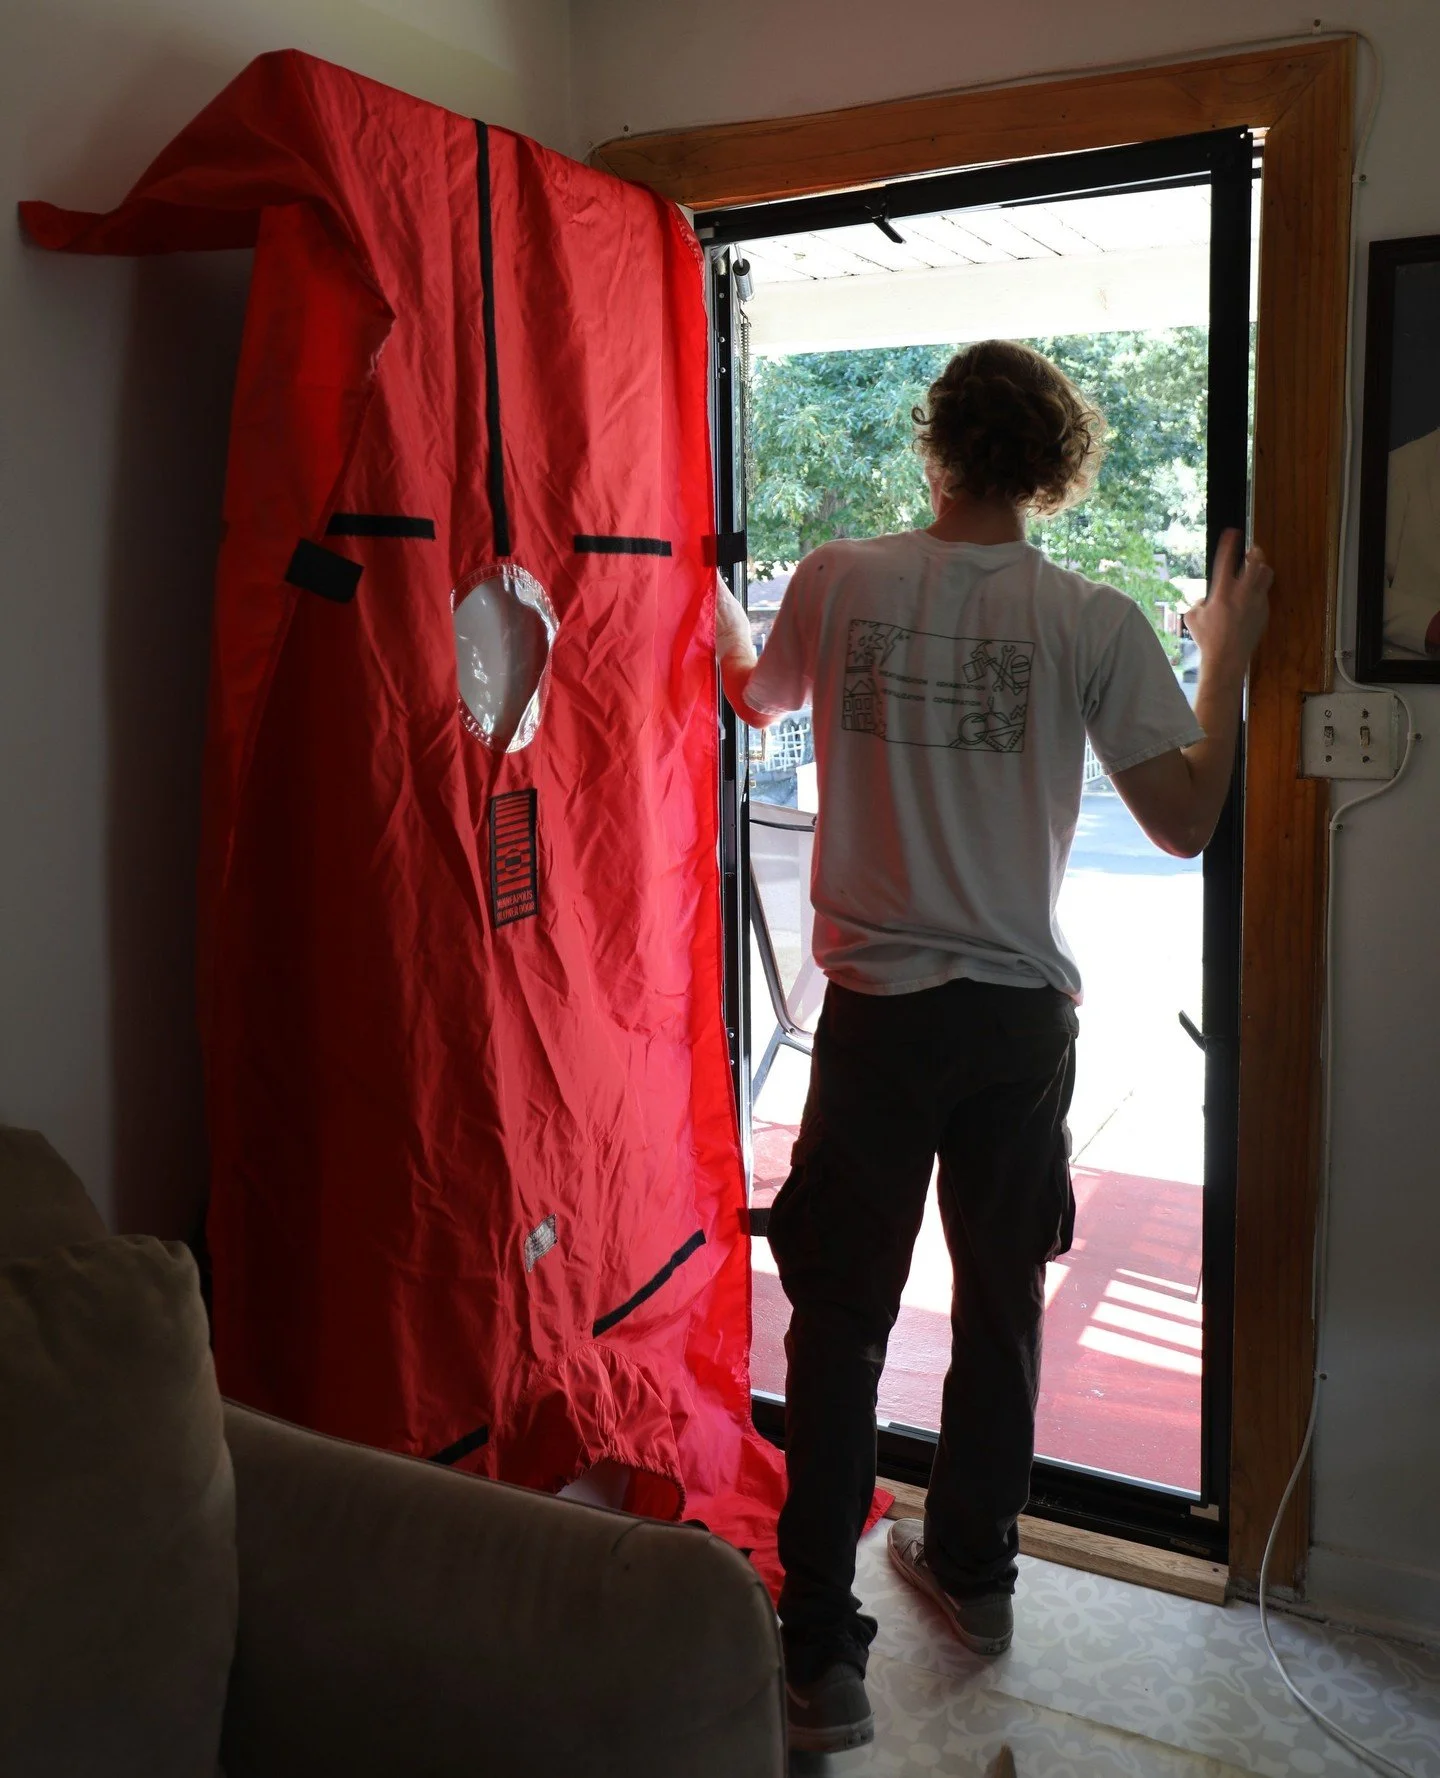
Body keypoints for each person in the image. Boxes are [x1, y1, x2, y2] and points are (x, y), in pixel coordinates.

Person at [715, 339, 1272, 1755]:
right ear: (1057, 469)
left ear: (934, 445)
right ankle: (973, 1575)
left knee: (838, 1320)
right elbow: (1190, 814)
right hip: (1021, 1026)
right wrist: (1231, 663)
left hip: (878, 1018)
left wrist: (723, 618)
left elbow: (754, 700)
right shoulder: (1090, 617)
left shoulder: (837, 579)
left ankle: (822, 1662)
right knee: (1003, 1302)